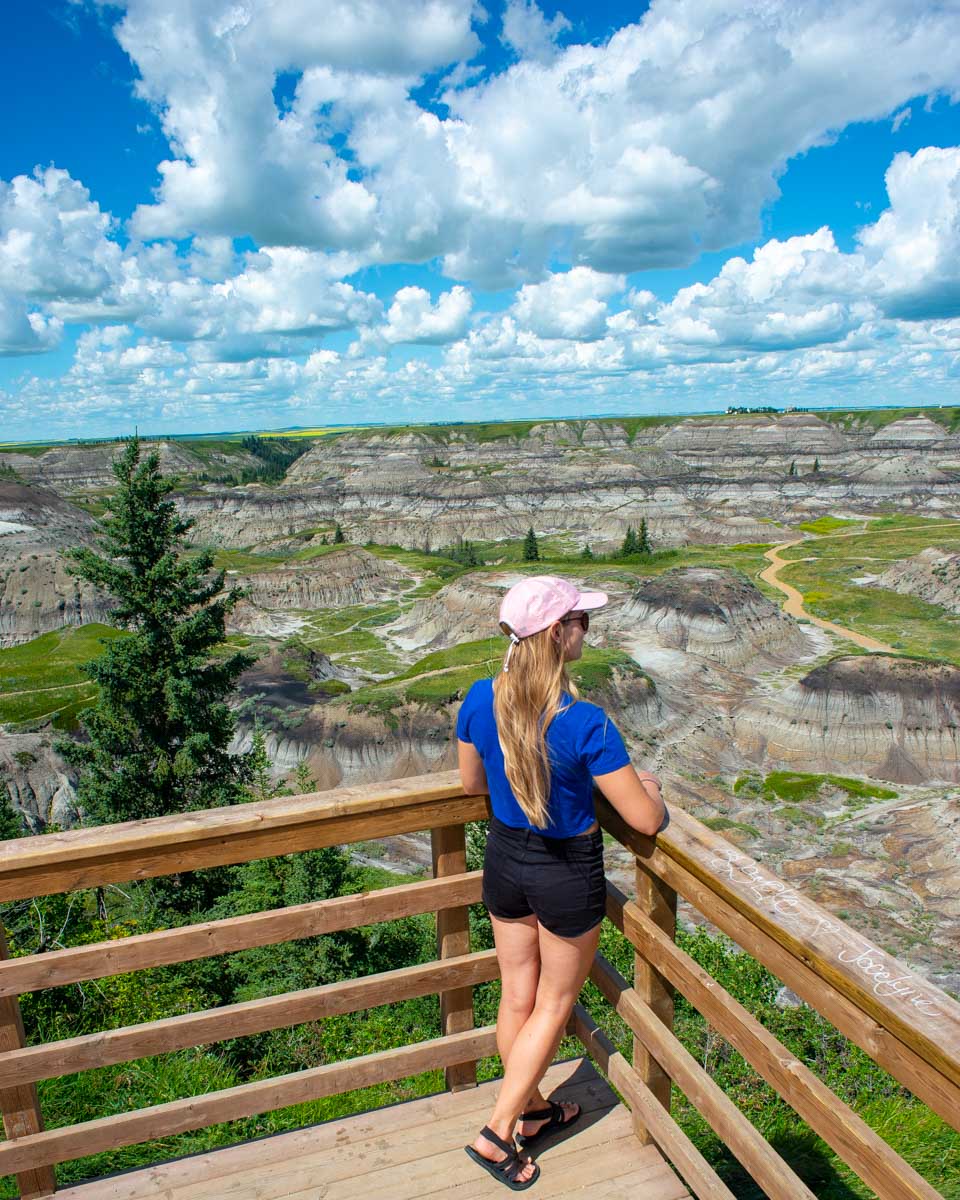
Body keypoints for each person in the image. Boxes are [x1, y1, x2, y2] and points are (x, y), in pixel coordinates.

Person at [458, 575, 665, 1189]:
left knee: (518, 996)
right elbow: (644, 819)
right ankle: (498, 1133)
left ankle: (535, 1109)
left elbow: (471, 784)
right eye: (581, 621)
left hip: (504, 860)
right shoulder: (585, 723)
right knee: (552, 1004)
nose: (587, 631)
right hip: (566, 871)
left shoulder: (480, 697)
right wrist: (650, 787)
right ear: (556, 633)